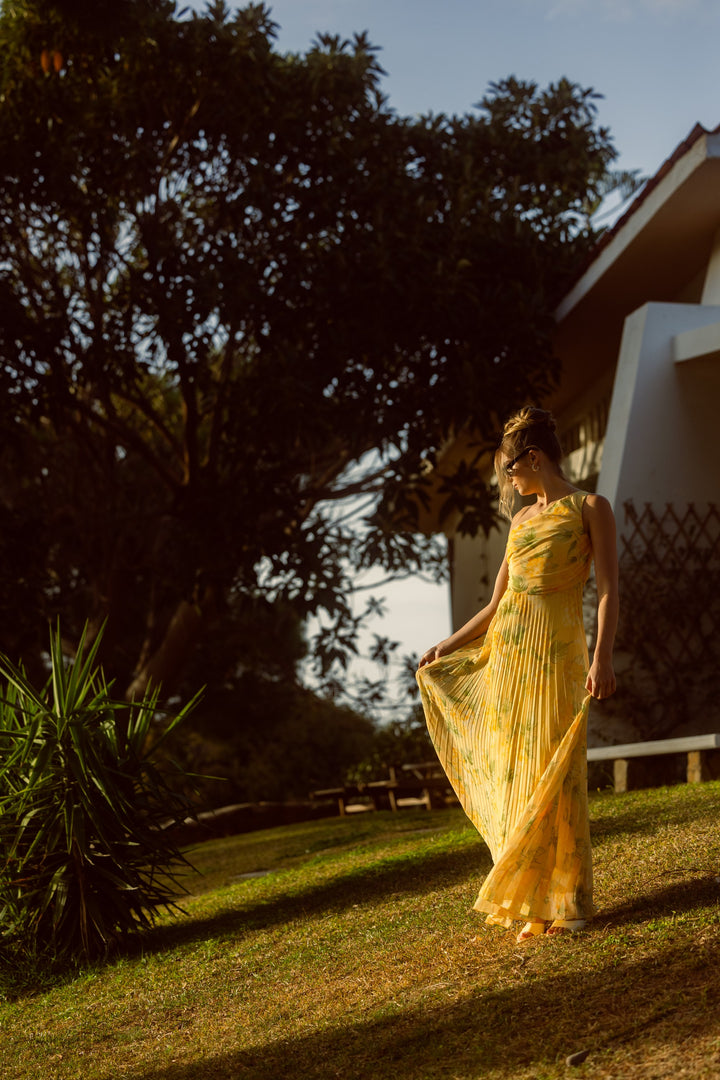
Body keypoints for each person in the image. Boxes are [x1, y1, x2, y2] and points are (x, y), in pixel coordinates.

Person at [417, 407, 618, 944]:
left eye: (508, 468)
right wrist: (447, 645)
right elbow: (495, 605)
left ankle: (567, 900)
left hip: (557, 657)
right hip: (509, 658)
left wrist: (602, 657)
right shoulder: (521, 521)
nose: (507, 480)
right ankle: (532, 901)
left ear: (532, 458)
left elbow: (609, 592)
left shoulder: (590, 507)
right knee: (517, 773)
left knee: (556, 770)